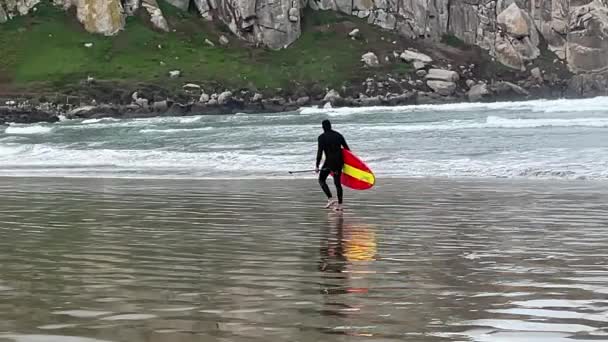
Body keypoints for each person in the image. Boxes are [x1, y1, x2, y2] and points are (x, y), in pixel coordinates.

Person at [316, 119, 350, 211]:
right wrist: (347, 164)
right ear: (330, 126)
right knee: (337, 184)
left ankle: (330, 199)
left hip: (329, 163)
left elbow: (320, 153)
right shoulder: (338, 135)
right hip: (338, 162)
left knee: (321, 180)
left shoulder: (321, 137)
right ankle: (340, 204)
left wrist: (317, 166)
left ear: (323, 127)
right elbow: (347, 150)